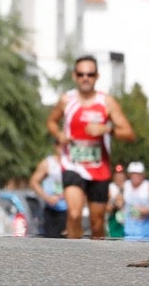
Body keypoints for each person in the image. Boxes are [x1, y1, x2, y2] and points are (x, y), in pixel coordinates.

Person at [47, 54, 135, 239]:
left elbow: (129, 133)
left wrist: (107, 129)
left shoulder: (106, 102)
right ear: (74, 76)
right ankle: (73, 254)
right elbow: (51, 122)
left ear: (97, 76)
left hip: (99, 168)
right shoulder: (67, 100)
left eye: (90, 74)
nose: (85, 78)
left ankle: (95, 256)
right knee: (74, 214)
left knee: (97, 224)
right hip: (72, 164)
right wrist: (59, 135)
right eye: (81, 74)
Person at [30, 145, 70, 238]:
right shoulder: (48, 163)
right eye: (60, 145)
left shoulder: (73, 163)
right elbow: (33, 182)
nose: (63, 148)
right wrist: (47, 198)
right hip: (51, 210)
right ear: (55, 146)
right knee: (51, 241)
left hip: (70, 210)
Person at [123, 162, 149, 241]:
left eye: (138, 174)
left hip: (146, 231)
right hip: (129, 232)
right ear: (129, 175)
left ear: (143, 175)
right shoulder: (125, 185)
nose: (135, 177)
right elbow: (118, 200)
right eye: (133, 174)